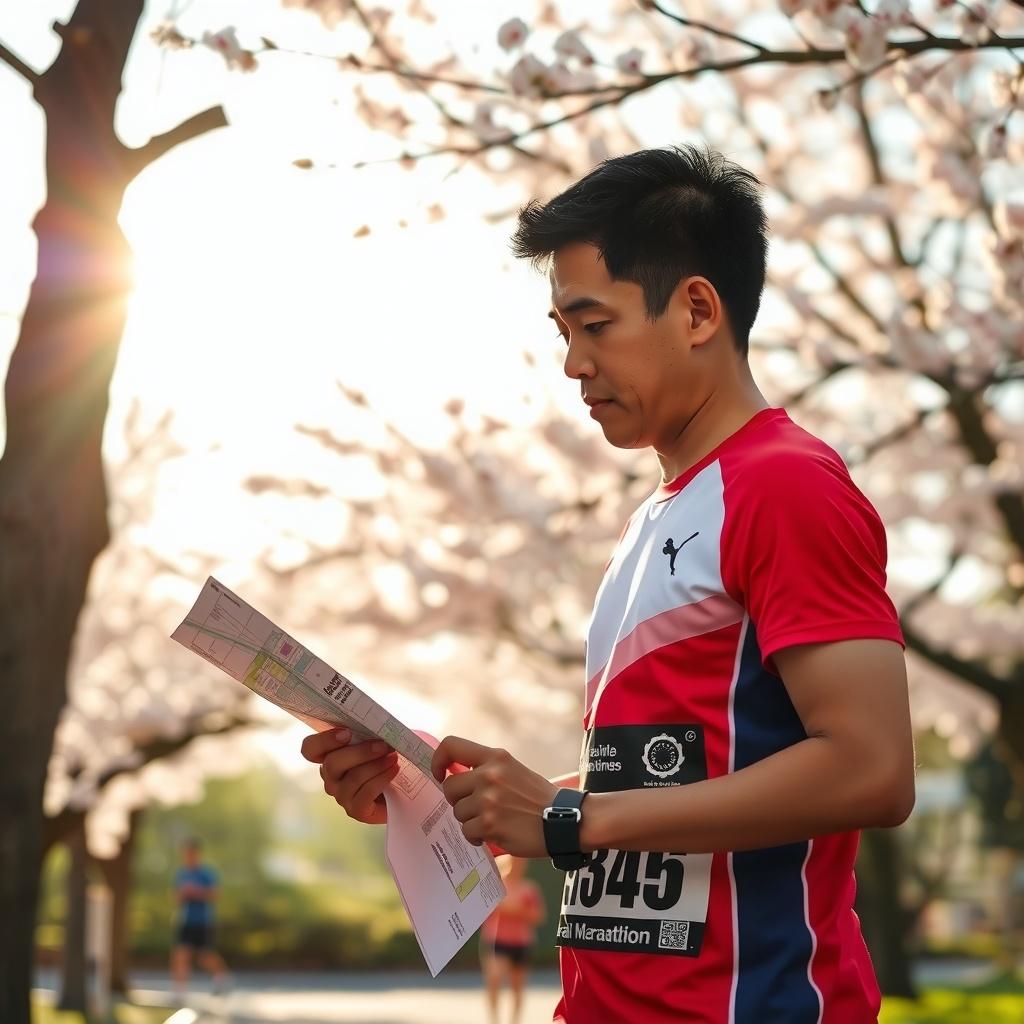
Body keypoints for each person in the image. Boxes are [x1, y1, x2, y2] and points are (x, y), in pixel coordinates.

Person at [301, 145, 916, 1023]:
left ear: (698, 310)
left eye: (595, 325)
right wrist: (443, 805)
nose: (573, 365)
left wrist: (567, 819)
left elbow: (874, 769)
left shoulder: (785, 484)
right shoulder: (650, 522)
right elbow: (660, 784)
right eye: (563, 332)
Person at [480, 856, 546, 1024]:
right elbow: (488, 909)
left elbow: (538, 916)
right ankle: (494, 1020)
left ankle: (514, 1021)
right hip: (498, 941)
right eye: (516, 862)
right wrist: (514, 910)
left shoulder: (529, 888)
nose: (519, 865)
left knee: (517, 987)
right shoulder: (498, 885)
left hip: (521, 942)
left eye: (522, 863)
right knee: (495, 978)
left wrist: (515, 911)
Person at [171, 838, 229, 1000]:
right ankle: (180, 991)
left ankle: (221, 978)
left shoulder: (206, 873)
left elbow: (216, 894)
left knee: (205, 955)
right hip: (185, 920)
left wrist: (197, 892)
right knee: (181, 954)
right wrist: (183, 894)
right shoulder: (182, 873)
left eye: (191, 853)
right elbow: (176, 897)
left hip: (203, 920)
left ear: (197, 854)